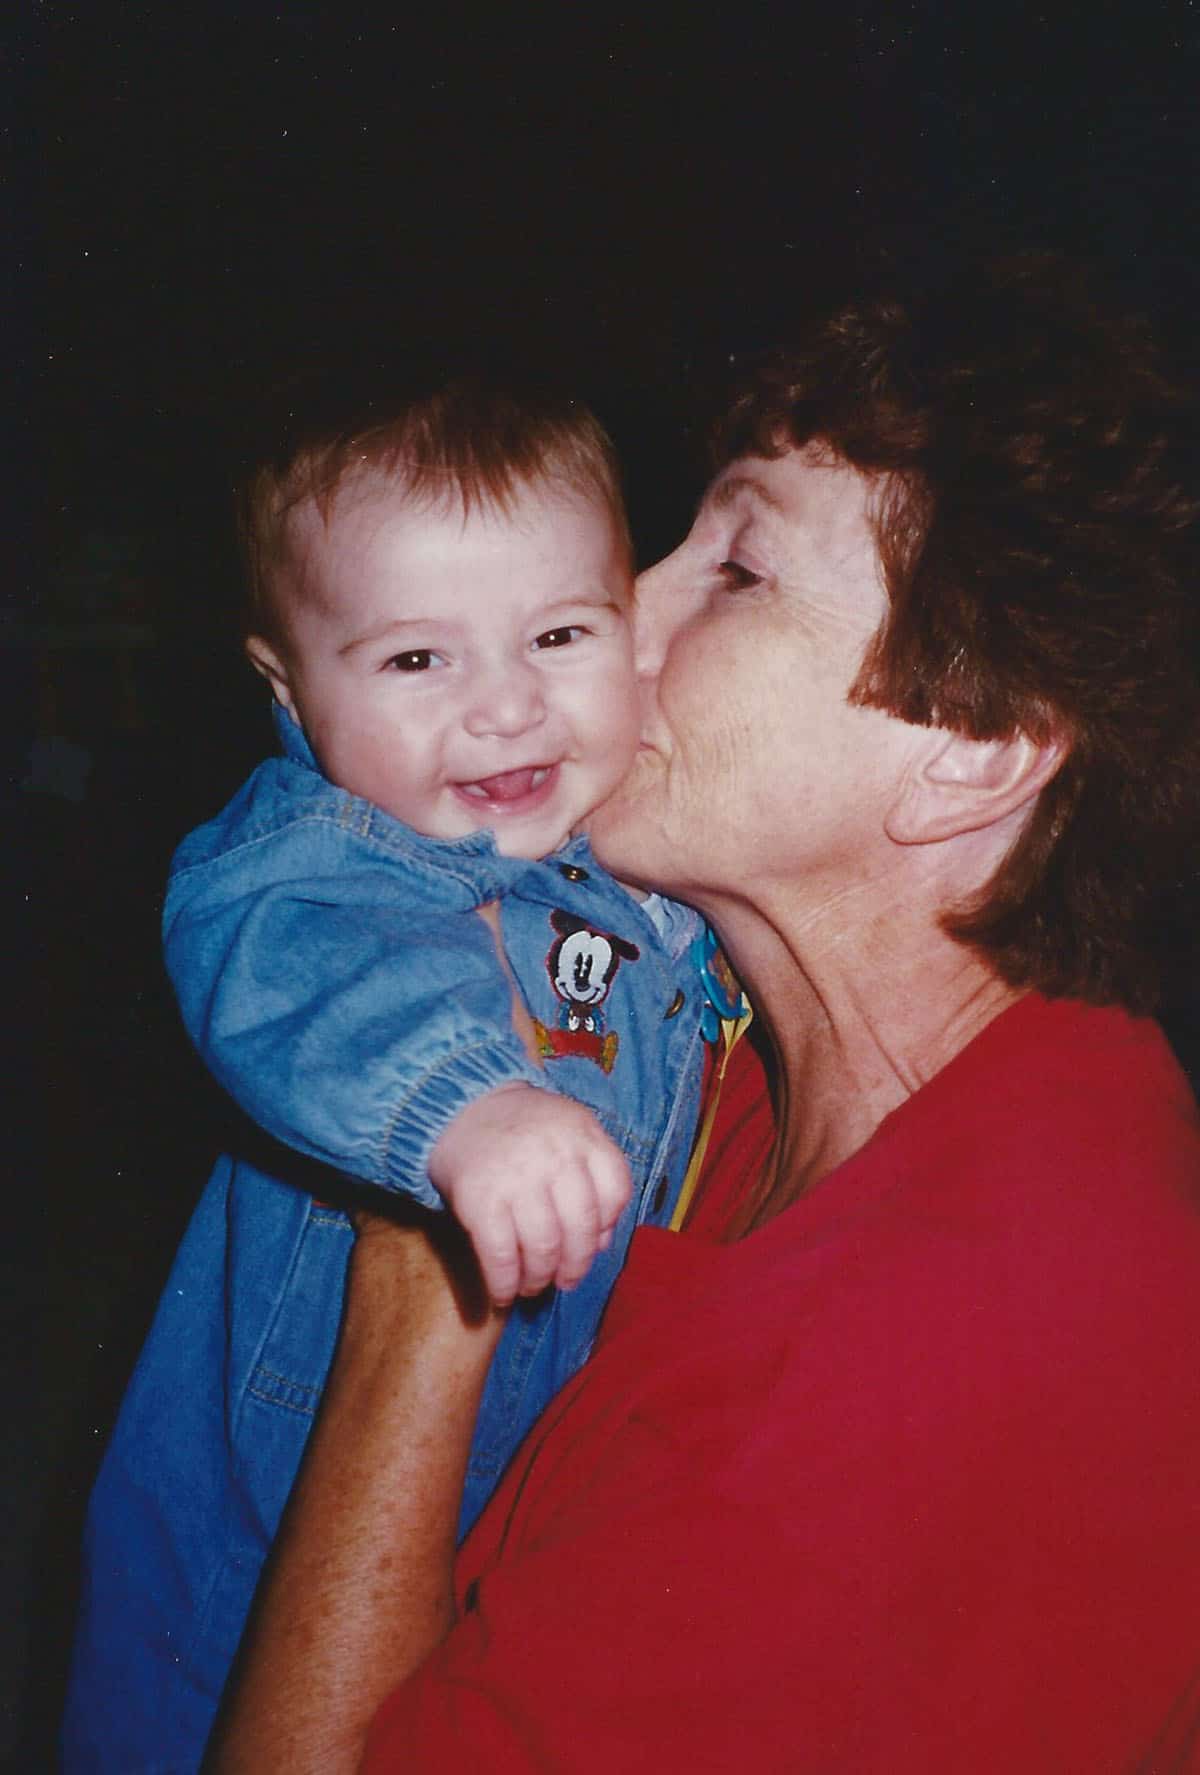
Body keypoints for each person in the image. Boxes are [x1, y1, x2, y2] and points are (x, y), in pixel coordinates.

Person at [207, 253, 1200, 1774]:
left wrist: (425, 1282)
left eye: (732, 571)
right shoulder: (789, 1068)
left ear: (974, 748)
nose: (617, 604)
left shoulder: (930, 1362)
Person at [61, 374, 724, 1773]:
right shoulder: (325, 858)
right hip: (275, 1531)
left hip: (528, 1508)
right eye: (418, 662)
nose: (505, 709)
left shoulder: (638, 862)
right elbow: (289, 960)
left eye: (556, 634)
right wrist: (459, 1106)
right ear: (287, 686)